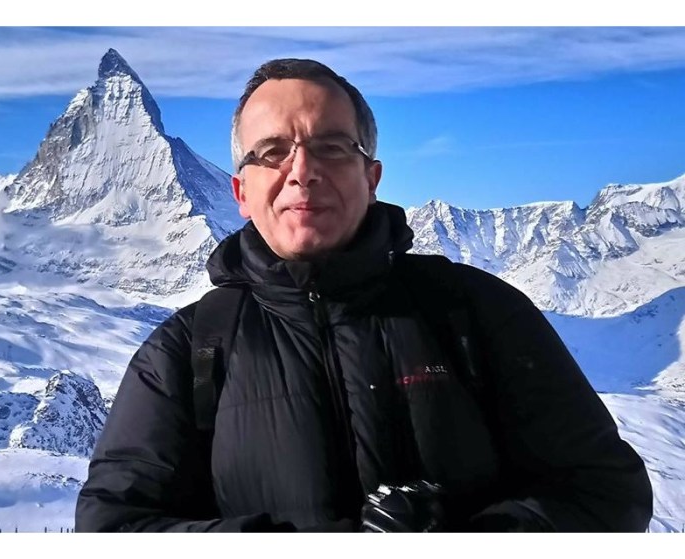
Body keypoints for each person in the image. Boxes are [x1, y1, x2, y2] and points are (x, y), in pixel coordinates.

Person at [75, 58, 653, 532]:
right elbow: (113, 524)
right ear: (241, 192)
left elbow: (606, 491)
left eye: (330, 147)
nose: (302, 171)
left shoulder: (476, 311)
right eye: (272, 151)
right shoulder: (186, 351)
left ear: (371, 178)